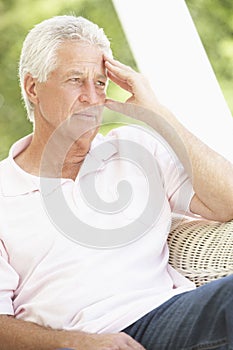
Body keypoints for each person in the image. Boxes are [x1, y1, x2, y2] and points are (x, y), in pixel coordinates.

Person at [0, 14, 233, 350]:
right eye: (75, 79)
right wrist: (80, 343)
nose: (91, 97)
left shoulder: (135, 149)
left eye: (99, 83)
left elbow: (227, 201)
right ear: (33, 87)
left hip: (168, 318)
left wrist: (159, 115)